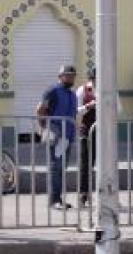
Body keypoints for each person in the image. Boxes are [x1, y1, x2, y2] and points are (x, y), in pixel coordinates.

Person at [36, 65, 78, 210]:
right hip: (56, 134)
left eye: (73, 75)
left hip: (68, 137)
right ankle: (54, 200)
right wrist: (44, 127)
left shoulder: (72, 94)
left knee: (62, 168)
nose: (71, 78)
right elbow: (40, 109)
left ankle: (58, 198)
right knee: (55, 167)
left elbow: (73, 114)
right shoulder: (53, 91)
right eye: (67, 75)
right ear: (60, 76)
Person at [76, 68, 97, 207]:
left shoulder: (109, 89)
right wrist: (88, 106)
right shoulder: (82, 90)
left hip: (104, 131)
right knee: (85, 163)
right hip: (86, 130)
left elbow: (118, 109)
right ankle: (83, 194)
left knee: (106, 162)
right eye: (94, 79)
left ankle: (107, 193)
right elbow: (76, 110)